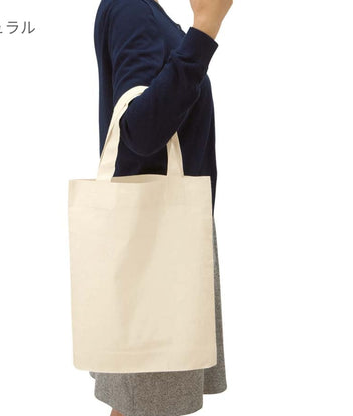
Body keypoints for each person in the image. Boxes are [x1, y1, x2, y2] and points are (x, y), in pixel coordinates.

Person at [90, 0, 233, 415]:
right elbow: (140, 129)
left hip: (160, 237)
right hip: (157, 247)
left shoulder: (145, 13)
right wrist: (204, 30)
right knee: (147, 405)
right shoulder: (133, 10)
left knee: (140, 404)